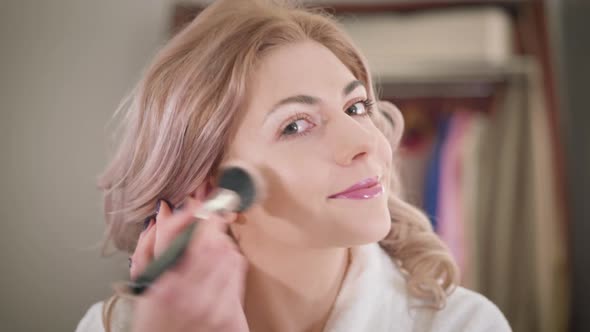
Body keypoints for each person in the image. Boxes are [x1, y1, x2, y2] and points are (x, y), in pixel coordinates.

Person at [76, 0, 511, 331]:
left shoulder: (465, 324)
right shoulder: (112, 327)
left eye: (357, 107)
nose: (366, 141)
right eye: (297, 125)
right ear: (208, 187)